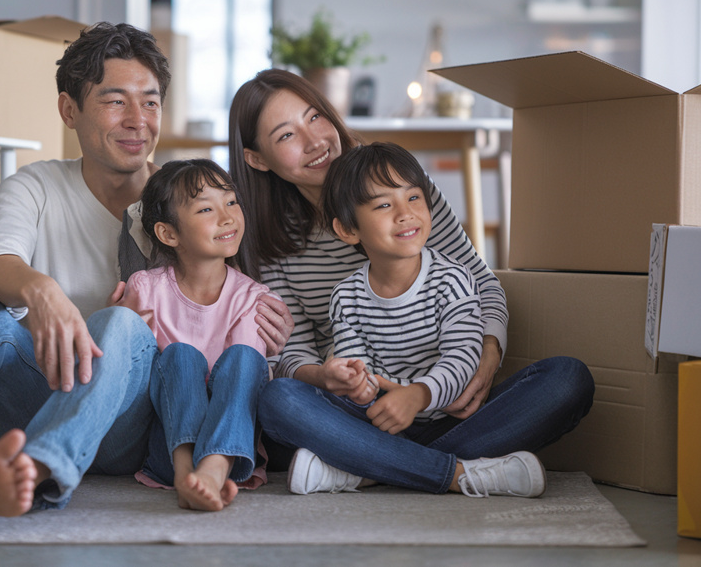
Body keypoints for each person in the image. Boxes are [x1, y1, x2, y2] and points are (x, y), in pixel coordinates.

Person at [0, 23, 293, 537]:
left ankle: (35, 473)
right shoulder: (36, 185)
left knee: (121, 325)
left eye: (150, 103)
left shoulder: (185, 202)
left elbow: (227, 300)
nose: (137, 120)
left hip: (136, 422)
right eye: (115, 101)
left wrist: (275, 334)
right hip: (41, 392)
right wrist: (41, 290)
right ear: (69, 110)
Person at [227, 68, 594, 497]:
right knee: (280, 401)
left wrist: (487, 357)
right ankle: (454, 473)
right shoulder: (267, 239)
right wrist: (328, 377)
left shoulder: (404, 191)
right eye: (287, 135)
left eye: (315, 117)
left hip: (449, 400)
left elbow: (482, 284)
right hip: (360, 412)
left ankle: (366, 468)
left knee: (567, 379)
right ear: (257, 158)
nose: (314, 142)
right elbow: (292, 353)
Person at [317, 141, 545, 497]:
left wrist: (417, 395)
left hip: (455, 421)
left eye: (413, 198)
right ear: (348, 229)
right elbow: (360, 374)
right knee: (281, 397)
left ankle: (375, 468)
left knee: (566, 377)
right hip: (384, 423)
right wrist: (357, 384)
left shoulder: (453, 279)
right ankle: (445, 469)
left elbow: (463, 359)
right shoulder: (346, 297)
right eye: (384, 205)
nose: (405, 214)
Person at [116, 159, 276, 511]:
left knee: (246, 358)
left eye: (231, 202)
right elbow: (131, 368)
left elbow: (244, 381)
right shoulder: (145, 289)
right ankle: (187, 473)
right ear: (168, 234)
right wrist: (118, 323)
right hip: (167, 450)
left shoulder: (254, 298)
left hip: (233, 454)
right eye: (206, 209)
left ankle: (213, 469)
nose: (227, 217)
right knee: (180, 355)